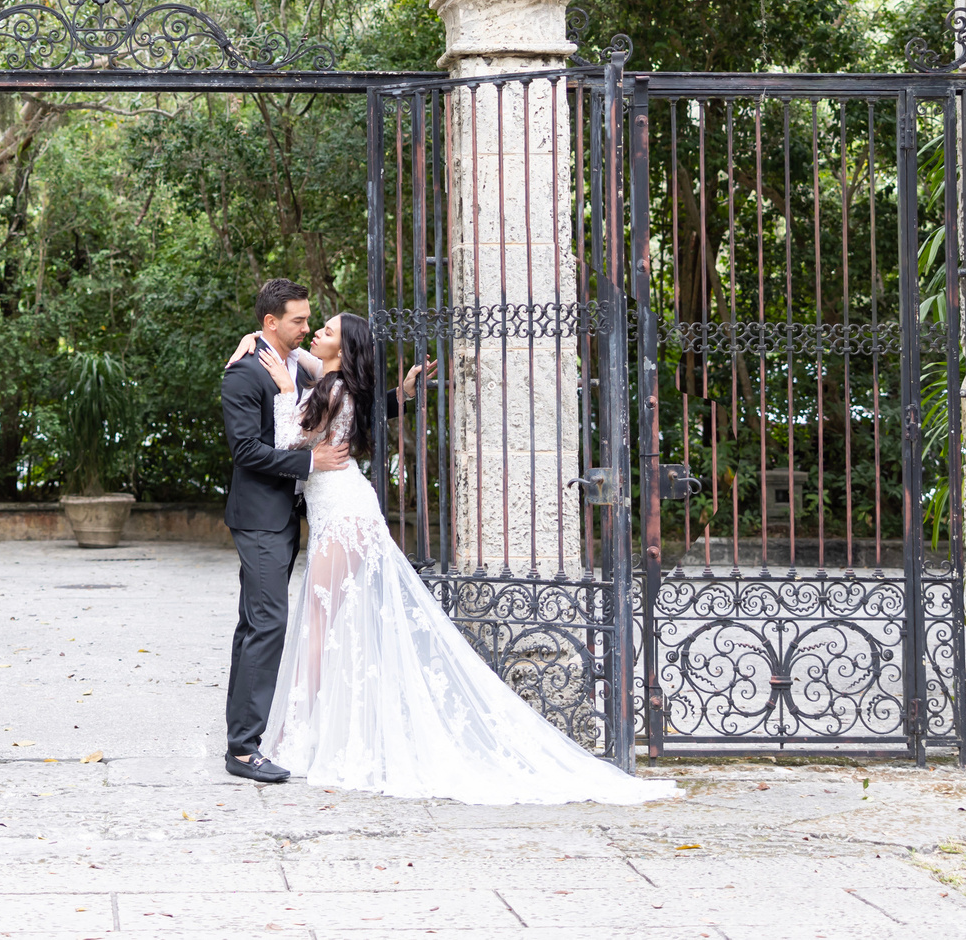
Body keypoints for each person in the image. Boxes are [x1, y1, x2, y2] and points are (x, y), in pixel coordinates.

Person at [247, 310, 676, 806]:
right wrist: (259, 340)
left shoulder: (331, 389)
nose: (314, 334)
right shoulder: (338, 382)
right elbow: (305, 356)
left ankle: (300, 736)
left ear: (342, 350)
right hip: (344, 511)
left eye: (325, 331)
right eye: (314, 327)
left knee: (319, 627)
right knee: (335, 625)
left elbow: (286, 442)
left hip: (343, 516)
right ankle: (319, 729)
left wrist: (285, 391)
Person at [219, 279, 345, 782]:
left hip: (287, 515)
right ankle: (244, 750)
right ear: (270, 322)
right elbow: (246, 450)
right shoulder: (244, 373)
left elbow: (344, 398)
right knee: (268, 622)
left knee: (254, 623)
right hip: (259, 518)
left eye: (309, 318)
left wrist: (402, 395)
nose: (307, 326)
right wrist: (310, 463)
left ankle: (240, 738)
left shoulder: (301, 366)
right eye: (298, 320)